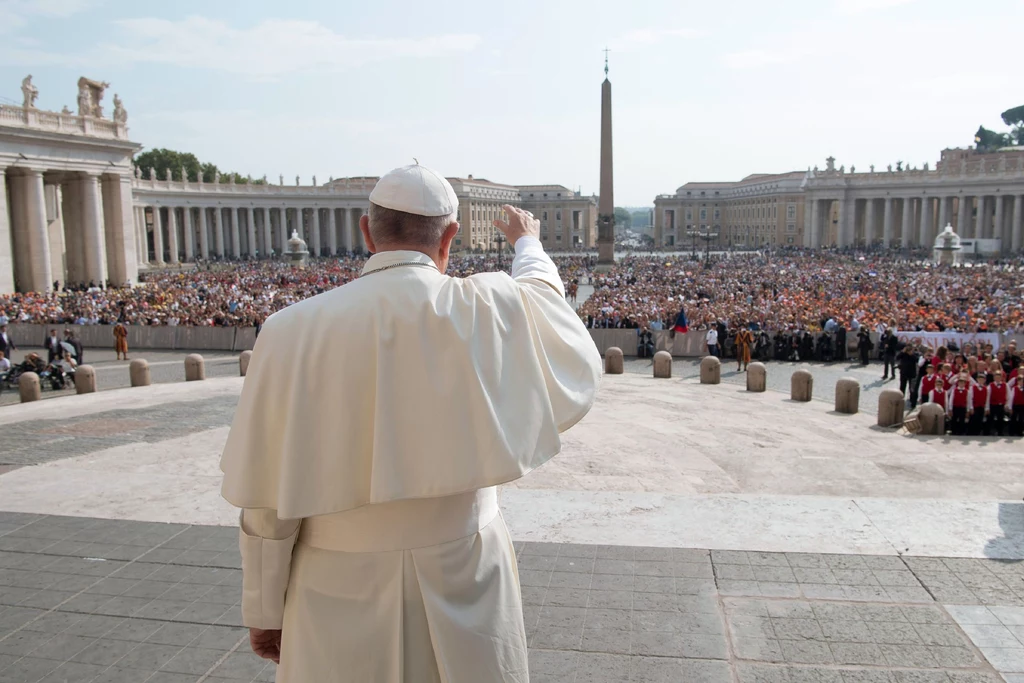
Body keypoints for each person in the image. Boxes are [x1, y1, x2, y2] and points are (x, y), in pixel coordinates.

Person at [220, 165, 602, 682]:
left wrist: (264, 608)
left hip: (334, 582)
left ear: (365, 231)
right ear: (450, 237)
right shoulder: (484, 307)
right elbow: (545, 302)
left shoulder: (289, 331)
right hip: (465, 574)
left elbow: (265, 503)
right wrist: (527, 243)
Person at [988, 371, 1008, 436]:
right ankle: (988, 432)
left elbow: (1008, 395)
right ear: (994, 378)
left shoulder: (1005, 385)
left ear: (1001, 378)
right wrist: (987, 407)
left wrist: (1007, 404)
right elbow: (988, 397)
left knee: (1000, 419)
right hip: (993, 405)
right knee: (991, 418)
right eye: (996, 377)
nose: (997, 379)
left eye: (999, 377)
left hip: (1001, 405)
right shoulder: (990, 385)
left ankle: (1000, 432)